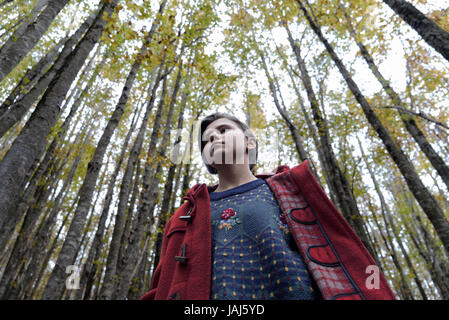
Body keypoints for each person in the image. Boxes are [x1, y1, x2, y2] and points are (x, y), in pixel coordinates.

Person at [140, 112, 395, 300]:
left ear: (249, 142)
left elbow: (340, 256)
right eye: (207, 140)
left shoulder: (290, 191)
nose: (214, 139)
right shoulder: (185, 214)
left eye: (224, 130)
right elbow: (162, 282)